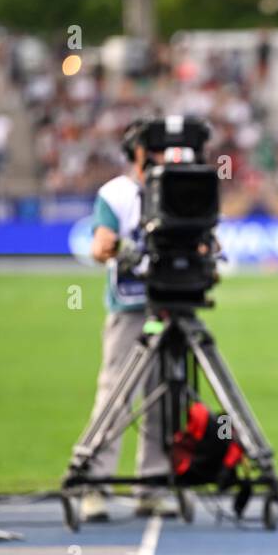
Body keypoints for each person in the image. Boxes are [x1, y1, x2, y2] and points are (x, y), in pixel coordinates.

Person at [75, 118, 173, 520]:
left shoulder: (180, 185)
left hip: (170, 303)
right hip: (130, 305)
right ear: (139, 152)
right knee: (115, 394)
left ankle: (151, 484)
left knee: (163, 396)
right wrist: (126, 251)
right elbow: (100, 246)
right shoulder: (115, 194)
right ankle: (94, 486)